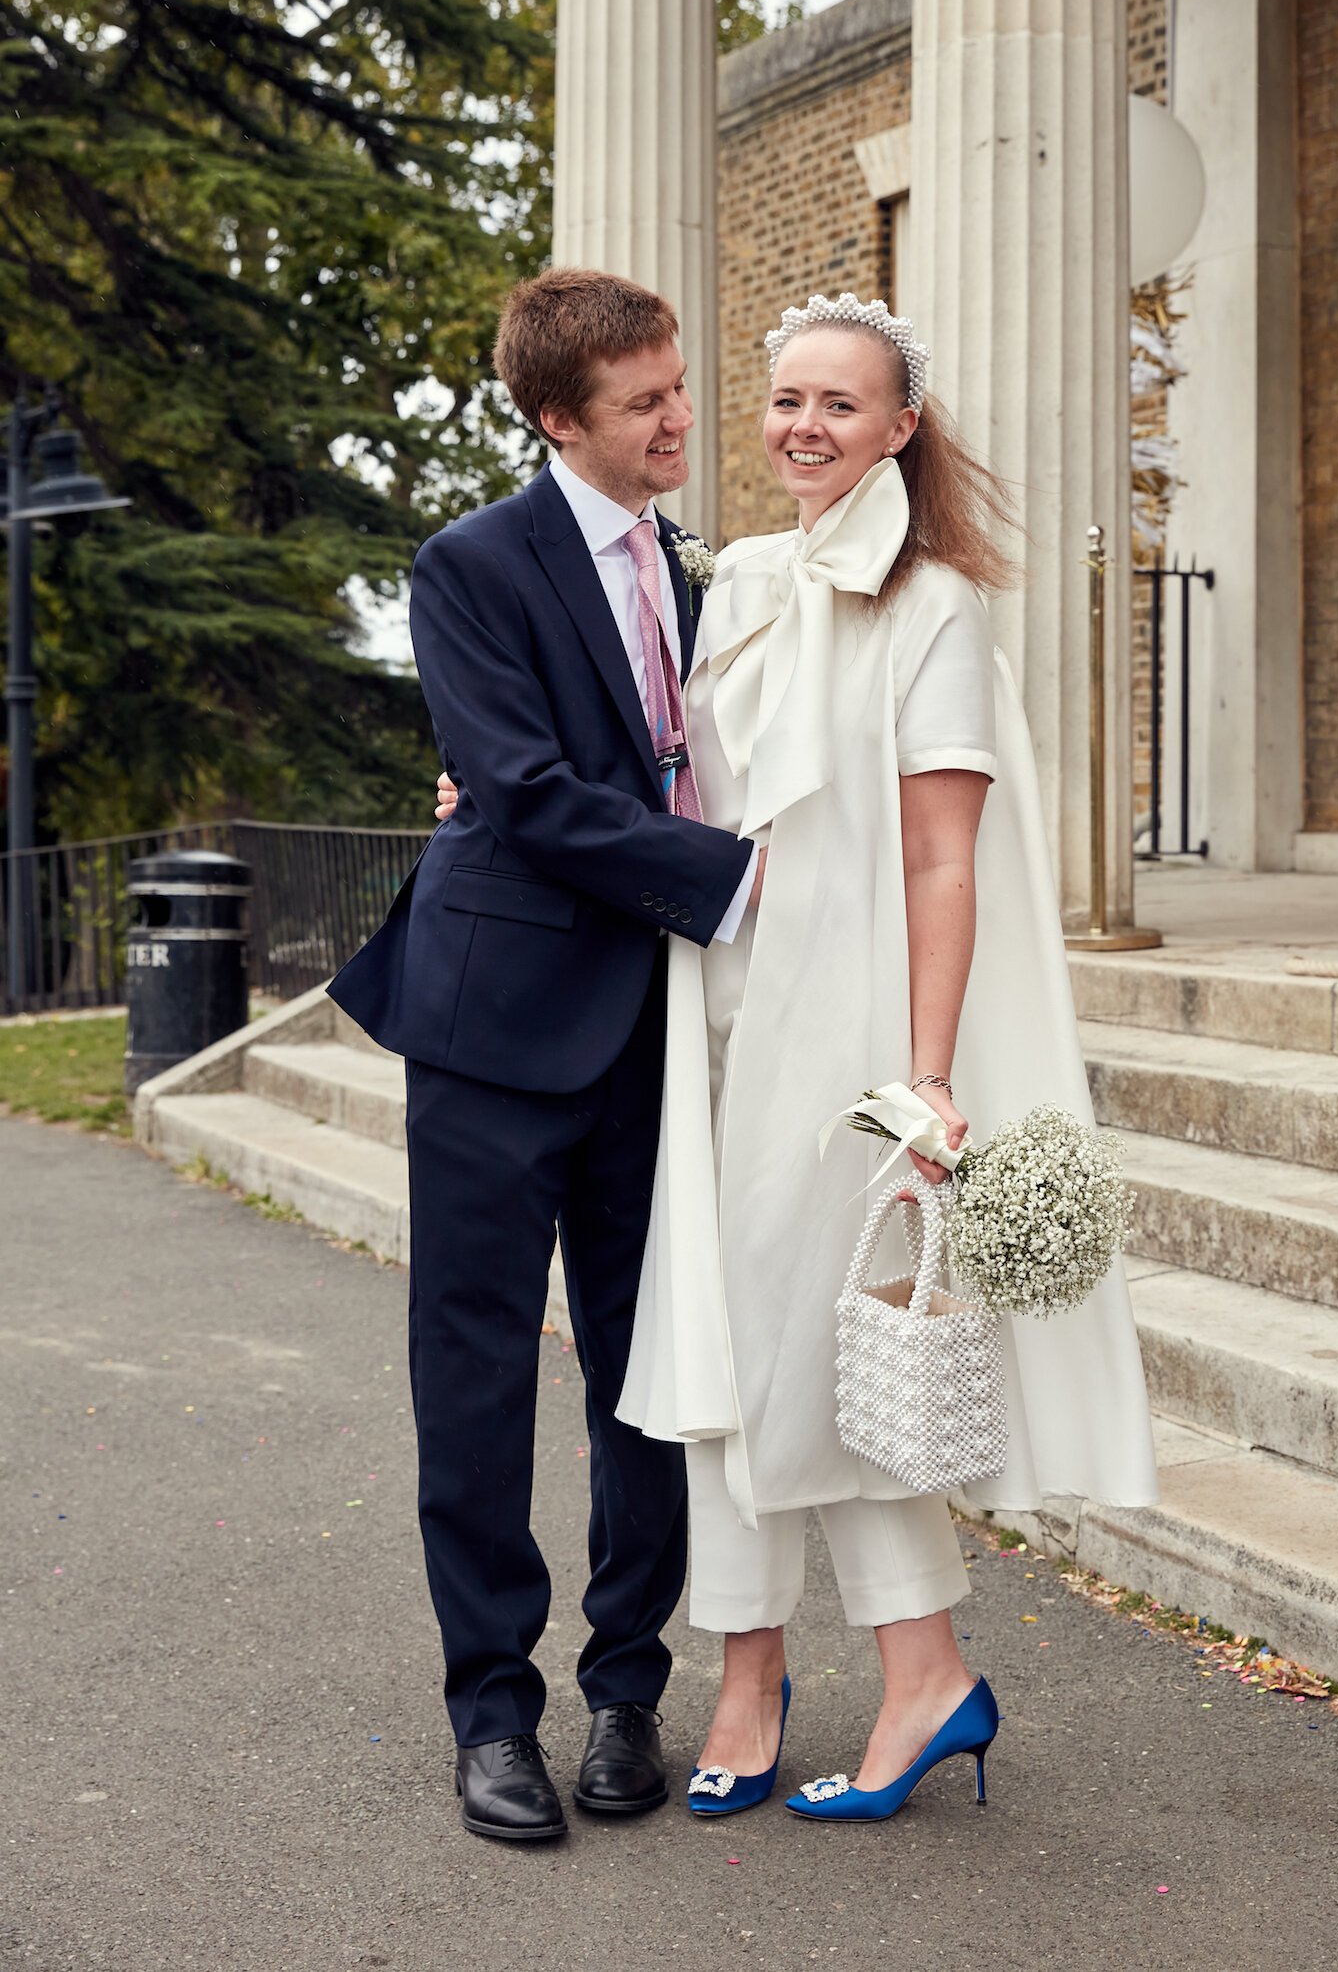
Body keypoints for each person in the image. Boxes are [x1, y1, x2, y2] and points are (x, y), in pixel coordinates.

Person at [612, 291, 1160, 1822]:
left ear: (902, 427)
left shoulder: (935, 607)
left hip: (849, 1031)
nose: (803, 426)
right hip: (710, 1011)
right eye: (786, 398)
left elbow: (940, 860)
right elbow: (664, 781)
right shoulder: (732, 581)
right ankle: (840, 1671)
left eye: (839, 405)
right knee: (721, 1342)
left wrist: (922, 1074)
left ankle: (839, 1672)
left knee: (802, 1352)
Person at [329, 269, 760, 1845]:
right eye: (646, 400)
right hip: (495, 1029)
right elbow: (513, 783)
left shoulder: (700, 571)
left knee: (650, 1372)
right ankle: (491, 1709)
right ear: (556, 418)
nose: (679, 418)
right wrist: (733, 877)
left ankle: (628, 1685)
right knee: (478, 1369)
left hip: (651, 1027)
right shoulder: (470, 564)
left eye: (677, 385)